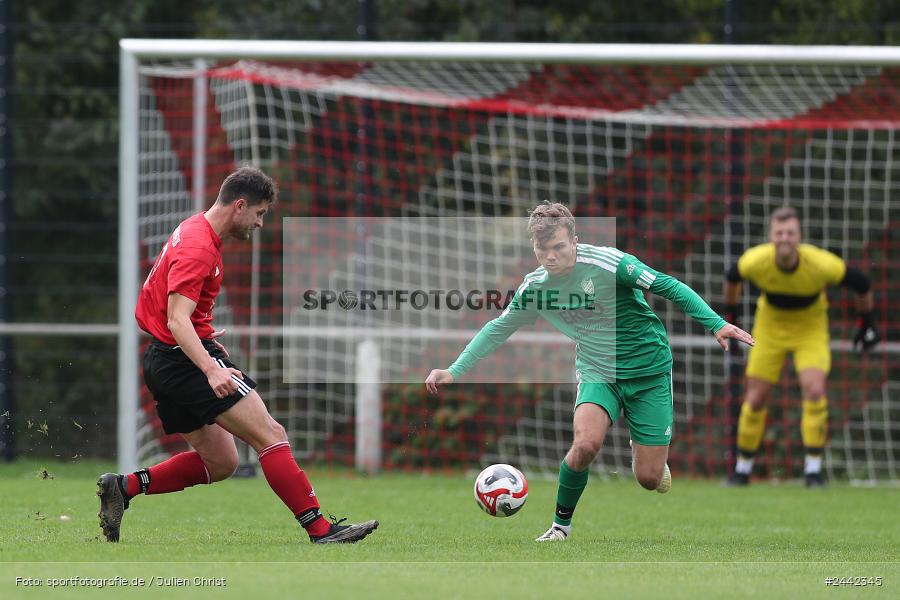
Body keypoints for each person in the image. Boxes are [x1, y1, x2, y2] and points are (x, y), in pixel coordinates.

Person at [425, 202, 754, 542]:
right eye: (542, 250)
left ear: (575, 241)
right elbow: (499, 328)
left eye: (558, 248)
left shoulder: (611, 264)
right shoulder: (536, 287)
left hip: (649, 372)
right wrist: (454, 370)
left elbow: (667, 285)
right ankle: (559, 529)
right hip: (598, 372)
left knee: (649, 479)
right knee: (585, 444)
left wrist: (716, 323)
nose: (550, 257)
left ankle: (644, 449)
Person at [98, 166, 378, 544]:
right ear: (240, 205)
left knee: (222, 463)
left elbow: (178, 314)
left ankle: (124, 487)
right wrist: (212, 369)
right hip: (183, 360)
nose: (261, 223)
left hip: (168, 358)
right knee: (271, 434)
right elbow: (177, 320)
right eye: (260, 213)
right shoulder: (199, 248)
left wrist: (204, 334)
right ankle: (320, 529)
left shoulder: (196, 229)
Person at [724, 206, 879, 487]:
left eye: (790, 233)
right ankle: (742, 470)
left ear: (800, 237)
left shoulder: (820, 264)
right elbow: (732, 278)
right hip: (770, 326)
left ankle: (813, 471)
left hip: (810, 327)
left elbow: (863, 283)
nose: (784, 238)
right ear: (771, 236)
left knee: (815, 389)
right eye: (779, 232)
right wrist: (731, 317)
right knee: (756, 397)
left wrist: (867, 322)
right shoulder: (755, 260)